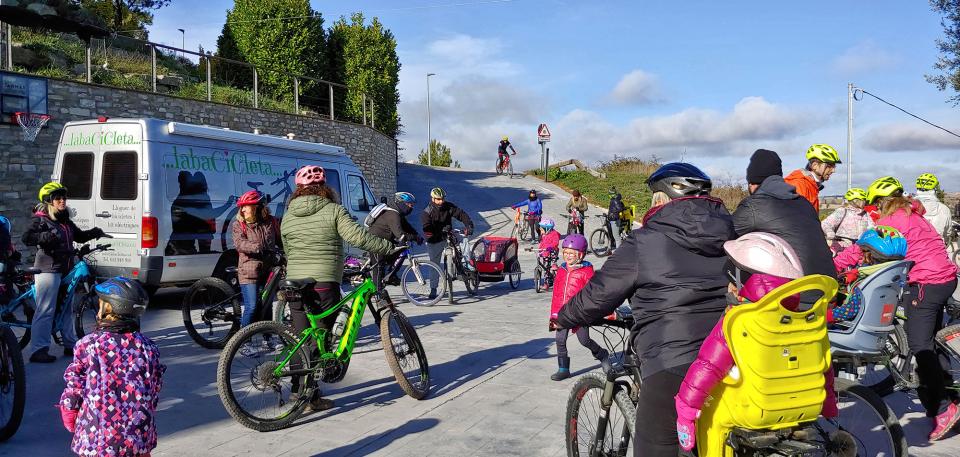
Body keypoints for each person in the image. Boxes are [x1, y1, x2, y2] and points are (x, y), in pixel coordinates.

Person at [556, 162, 736, 456]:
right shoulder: (733, 234)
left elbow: (599, 294)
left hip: (673, 357)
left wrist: (564, 317)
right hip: (728, 352)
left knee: (655, 445)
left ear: (661, 200)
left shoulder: (645, 241)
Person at [674, 233, 837, 452]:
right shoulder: (804, 317)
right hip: (803, 403)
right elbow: (822, 363)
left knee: (711, 419)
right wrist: (827, 403)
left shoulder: (739, 322)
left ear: (741, 281)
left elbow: (707, 366)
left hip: (754, 408)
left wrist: (685, 410)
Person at [280, 165, 395, 411]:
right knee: (324, 337)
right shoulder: (333, 210)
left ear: (298, 190)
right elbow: (357, 237)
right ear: (324, 188)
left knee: (301, 340)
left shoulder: (288, 215)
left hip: (295, 282)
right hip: (323, 281)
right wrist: (388, 248)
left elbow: (287, 249)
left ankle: (301, 393)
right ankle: (312, 392)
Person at [862, 176, 960, 439]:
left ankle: (942, 409)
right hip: (946, 279)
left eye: (873, 205)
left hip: (927, 283)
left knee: (919, 345)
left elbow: (865, 249)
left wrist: (840, 267)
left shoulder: (889, 221)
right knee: (931, 341)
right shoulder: (914, 214)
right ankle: (950, 392)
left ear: (881, 202)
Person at [59, 276, 165, 457]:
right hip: (137, 438)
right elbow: (153, 389)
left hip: (97, 437)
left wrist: (69, 413)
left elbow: (75, 385)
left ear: (107, 308)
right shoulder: (148, 348)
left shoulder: (89, 345)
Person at [21, 182, 107, 363]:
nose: (62, 201)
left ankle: (70, 344)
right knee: (46, 310)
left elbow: (79, 236)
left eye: (64, 197)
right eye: (58, 198)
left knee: (67, 308)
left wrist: (95, 232)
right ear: (49, 201)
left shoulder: (64, 220)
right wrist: (44, 237)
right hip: (48, 269)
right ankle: (38, 350)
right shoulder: (41, 219)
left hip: (66, 269)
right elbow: (26, 237)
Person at [733, 149, 835, 280]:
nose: (833, 170)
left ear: (752, 183)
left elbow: (724, 238)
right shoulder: (804, 202)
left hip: (797, 293)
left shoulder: (753, 205)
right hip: (827, 286)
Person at [548, 234, 608, 381]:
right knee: (560, 339)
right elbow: (556, 293)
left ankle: (602, 354)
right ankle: (563, 368)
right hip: (561, 312)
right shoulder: (561, 270)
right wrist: (554, 313)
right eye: (565, 253)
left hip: (578, 312)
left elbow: (593, 293)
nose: (567, 256)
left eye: (571, 253)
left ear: (580, 254)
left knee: (584, 340)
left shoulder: (587, 272)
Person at [831, 226, 908, 322]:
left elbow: (851, 310)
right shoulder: (888, 278)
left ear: (869, 256)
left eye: (862, 253)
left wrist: (827, 316)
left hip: (855, 328)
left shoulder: (866, 284)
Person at [231, 190, 282, 330]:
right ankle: (244, 341)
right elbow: (239, 243)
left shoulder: (270, 221)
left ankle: (268, 336)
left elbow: (280, 240)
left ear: (257, 207)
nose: (243, 209)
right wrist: (258, 247)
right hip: (249, 270)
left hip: (268, 269)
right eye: (242, 206)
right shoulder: (238, 225)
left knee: (267, 304)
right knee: (252, 306)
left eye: (246, 206)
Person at [421, 187, 474, 300]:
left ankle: (466, 263)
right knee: (434, 264)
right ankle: (433, 288)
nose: (441, 201)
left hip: (448, 234)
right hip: (435, 239)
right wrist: (436, 232)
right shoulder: (427, 212)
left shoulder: (448, 206)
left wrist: (469, 226)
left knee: (464, 239)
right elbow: (427, 228)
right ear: (433, 199)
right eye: (438, 199)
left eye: (442, 199)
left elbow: (461, 214)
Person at [368, 192, 423, 298]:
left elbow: (407, 227)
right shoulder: (393, 214)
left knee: (402, 250)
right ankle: (378, 295)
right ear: (402, 203)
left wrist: (417, 235)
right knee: (379, 267)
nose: (411, 207)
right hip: (374, 242)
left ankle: (391, 275)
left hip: (385, 242)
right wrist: (414, 238)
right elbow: (400, 235)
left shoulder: (398, 213)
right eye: (410, 205)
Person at [784, 143, 842, 213]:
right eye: (829, 166)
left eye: (834, 167)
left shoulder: (812, 185)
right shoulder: (800, 185)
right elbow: (798, 218)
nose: (833, 171)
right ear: (815, 165)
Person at [820, 187, 874, 255]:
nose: (865, 202)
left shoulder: (865, 214)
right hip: (841, 248)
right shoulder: (842, 211)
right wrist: (830, 232)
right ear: (855, 200)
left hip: (860, 248)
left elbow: (872, 228)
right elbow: (825, 224)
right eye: (862, 200)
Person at [914, 173, 952, 242]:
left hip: (913, 250)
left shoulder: (908, 207)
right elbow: (948, 233)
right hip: (937, 249)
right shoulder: (944, 209)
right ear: (935, 189)